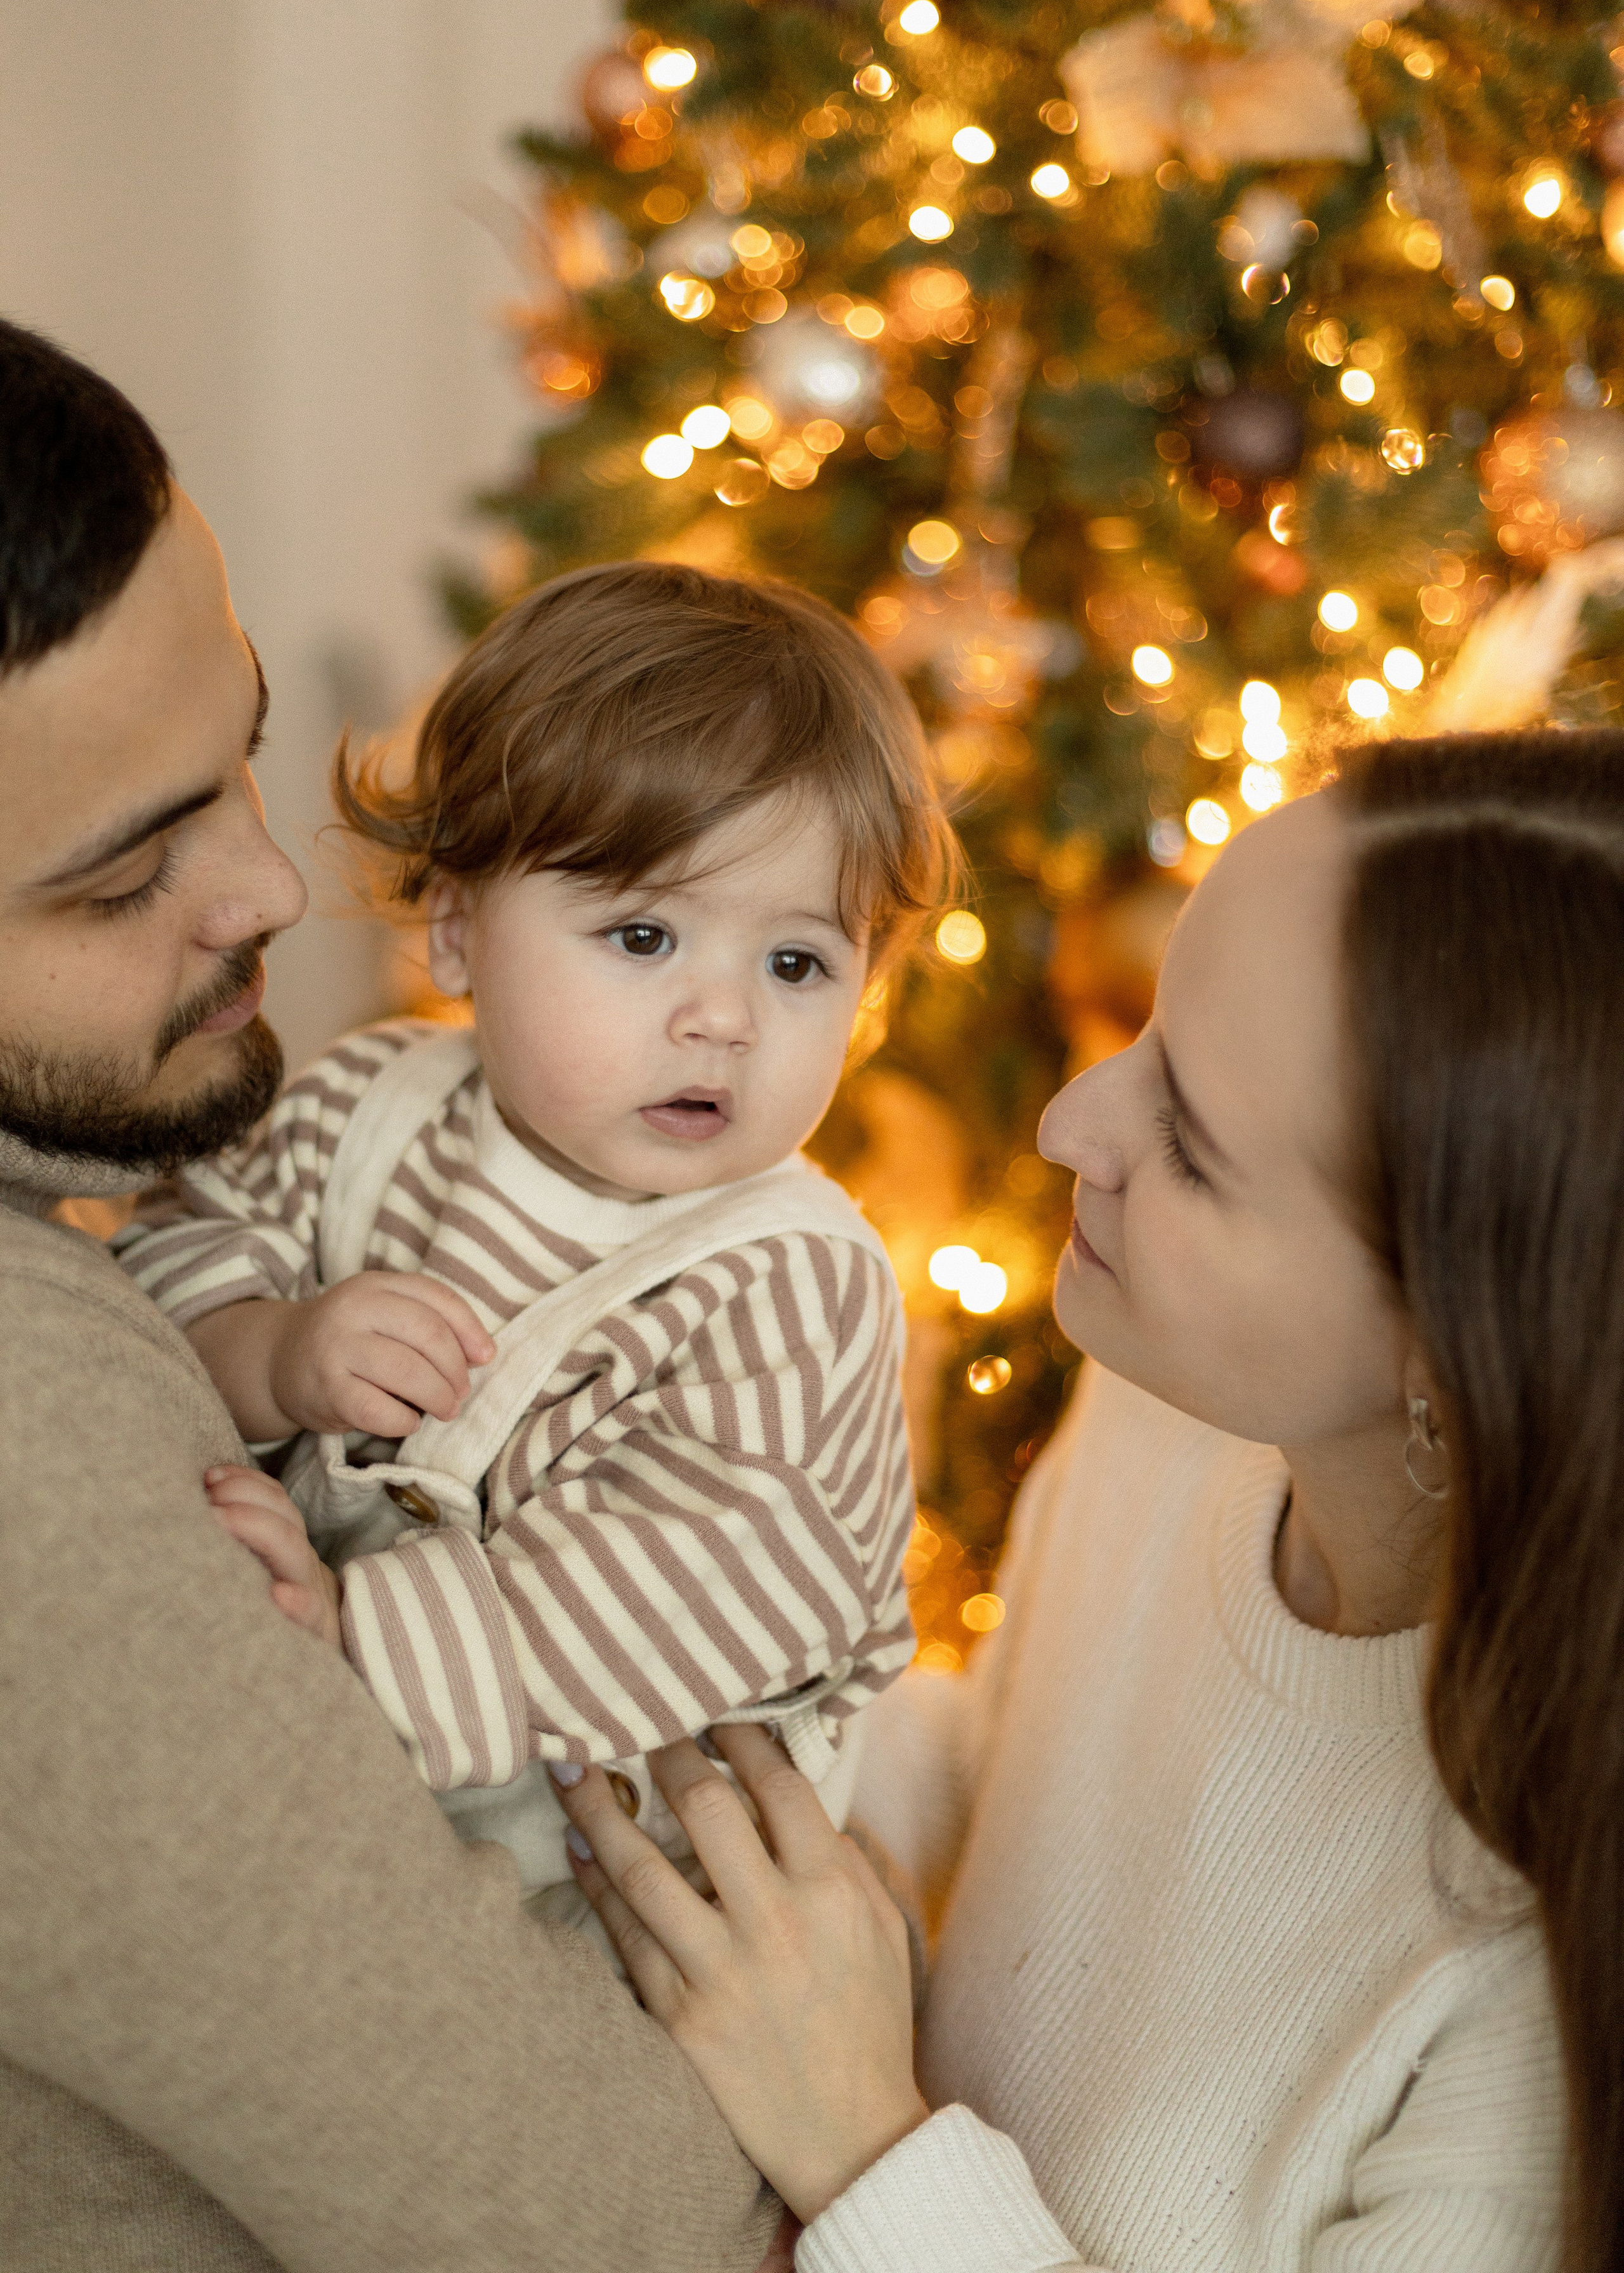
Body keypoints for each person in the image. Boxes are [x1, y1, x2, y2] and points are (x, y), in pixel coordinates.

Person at [539, 728, 1624, 2270]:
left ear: (1448, 1353)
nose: (1067, 1126)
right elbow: (1004, 1767)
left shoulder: (1529, 2001)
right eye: (1147, 1031)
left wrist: (862, 2146)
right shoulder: (1176, 1415)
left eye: (1186, 1140)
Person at [0, 317, 782, 2272]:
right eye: (117, 879)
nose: (270, 885)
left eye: (240, 748)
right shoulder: (29, 1440)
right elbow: (613, 2227)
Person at [116, 563, 949, 1921]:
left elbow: (703, 1580)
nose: (723, 1019)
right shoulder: (361, 1106)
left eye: (795, 964)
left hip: (620, 1876)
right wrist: (267, 1353)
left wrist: (352, 1639)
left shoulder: (792, 1281)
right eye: (643, 933)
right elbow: (172, 1246)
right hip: (336, 1779)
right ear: (457, 932)